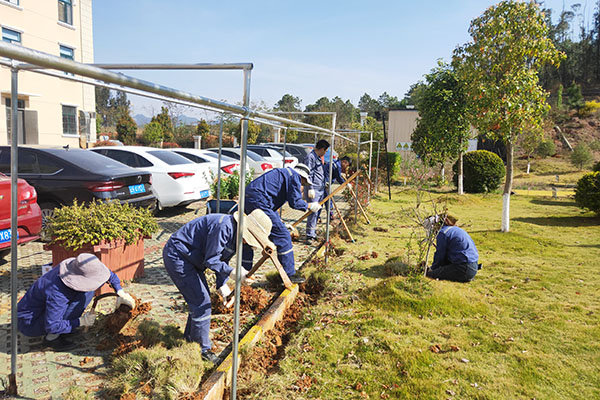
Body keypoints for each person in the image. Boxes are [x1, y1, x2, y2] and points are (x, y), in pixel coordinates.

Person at [162, 209, 273, 364]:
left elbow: (222, 259)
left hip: (192, 260)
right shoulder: (224, 227)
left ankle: (190, 341)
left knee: (199, 301)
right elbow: (212, 260)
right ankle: (203, 350)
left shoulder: (235, 235)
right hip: (179, 256)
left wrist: (223, 287)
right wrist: (234, 273)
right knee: (201, 302)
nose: (248, 243)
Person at [17, 253, 135, 351]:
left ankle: (66, 327)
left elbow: (111, 276)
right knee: (58, 323)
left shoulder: (80, 267)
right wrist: (81, 322)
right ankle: (51, 340)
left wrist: (120, 292)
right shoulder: (57, 293)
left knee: (88, 292)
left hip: (47, 310)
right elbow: (52, 325)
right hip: (30, 322)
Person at [244, 164, 320, 285]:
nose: (302, 187)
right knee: (283, 237)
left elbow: (270, 206)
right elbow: (294, 202)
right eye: (304, 184)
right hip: (259, 201)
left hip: (249, 198)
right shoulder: (294, 177)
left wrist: (281, 223)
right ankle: (289, 274)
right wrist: (310, 206)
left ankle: (244, 271)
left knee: (247, 236)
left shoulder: (283, 174)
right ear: (302, 177)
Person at [423, 215, 481, 282]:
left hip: (463, 268)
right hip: (473, 266)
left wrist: (432, 269)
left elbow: (440, 255)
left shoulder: (443, 233)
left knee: (429, 275)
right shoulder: (455, 229)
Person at [304, 139, 330, 244]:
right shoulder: (310, 158)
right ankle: (309, 235)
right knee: (313, 212)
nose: (325, 152)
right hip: (314, 189)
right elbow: (308, 174)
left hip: (320, 188)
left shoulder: (318, 158)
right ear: (322, 149)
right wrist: (310, 188)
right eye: (326, 150)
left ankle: (313, 233)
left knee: (318, 211)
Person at [321, 156, 352, 221]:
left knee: (324, 200)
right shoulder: (337, 165)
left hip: (323, 183)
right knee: (327, 200)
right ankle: (331, 216)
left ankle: (327, 216)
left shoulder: (335, 162)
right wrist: (346, 184)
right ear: (344, 162)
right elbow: (339, 178)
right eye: (346, 165)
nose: (346, 167)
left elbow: (336, 173)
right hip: (324, 183)